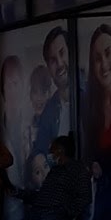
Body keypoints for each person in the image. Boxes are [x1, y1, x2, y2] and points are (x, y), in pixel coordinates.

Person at [83, 22, 111, 220]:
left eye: (109, 53)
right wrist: (92, 163)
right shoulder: (90, 107)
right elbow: (88, 151)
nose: (104, 64)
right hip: (102, 199)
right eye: (97, 59)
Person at [33, 26, 72, 157]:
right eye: (53, 60)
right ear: (48, 67)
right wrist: (38, 159)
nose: (60, 64)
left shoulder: (92, 95)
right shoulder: (49, 110)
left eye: (62, 53)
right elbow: (39, 151)